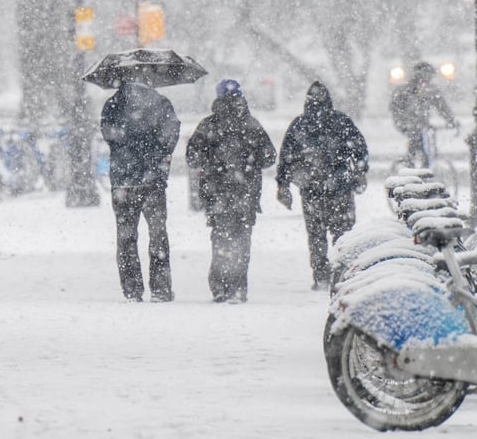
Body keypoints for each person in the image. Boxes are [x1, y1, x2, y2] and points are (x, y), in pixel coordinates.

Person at [186, 79, 276, 303]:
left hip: (217, 194)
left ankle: (220, 286)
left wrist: (211, 164)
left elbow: (192, 157)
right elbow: (269, 157)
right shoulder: (251, 124)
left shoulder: (208, 125)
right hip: (246, 194)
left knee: (220, 241)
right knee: (242, 241)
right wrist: (249, 163)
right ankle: (238, 287)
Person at [275, 81, 368, 292]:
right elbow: (360, 148)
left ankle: (321, 275)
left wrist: (284, 184)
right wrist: (359, 171)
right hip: (340, 188)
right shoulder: (341, 121)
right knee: (343, 233)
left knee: (316, 235)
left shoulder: (300, 124)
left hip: (312, 190)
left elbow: (286, 157)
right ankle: (342, 271)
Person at [100, 81, 180, 302]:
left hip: (123, 182)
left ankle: (132, 290)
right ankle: (161, 289)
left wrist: (127, 142)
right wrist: (156, 151)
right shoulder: (161, 103)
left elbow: (109, 135)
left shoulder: (113, 104)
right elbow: (171, 135)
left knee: (126, 237)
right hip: (152, 180)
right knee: (158, 235)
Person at [389, 61, 459, 168]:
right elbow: (396, 110)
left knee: (424, 145)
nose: (428, 78)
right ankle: (413, 166)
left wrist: (451, 120)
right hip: (408, 124)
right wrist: (405, 123)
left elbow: (442, 106)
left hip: (421, 125)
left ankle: (418, 165)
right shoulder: (405, 90)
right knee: (419, 142)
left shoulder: (430, 90)